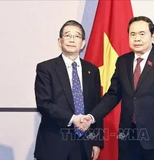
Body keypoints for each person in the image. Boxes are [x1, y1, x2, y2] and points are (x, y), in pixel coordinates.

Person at [82, 16, 154, 160]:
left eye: (142, 34)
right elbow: (113, 95)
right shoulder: (123, 61)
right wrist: (91, 117)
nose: (137, 38)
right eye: (133, 34)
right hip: (127, 137)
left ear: (152, 36)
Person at [34, 20, 103, 160]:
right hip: (54, 144)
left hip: (83, 144)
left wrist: (96, 142)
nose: (72, 39)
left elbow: (97, 106)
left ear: (83, 43)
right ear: (60, 41)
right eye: (67, 35)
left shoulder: (92, 70)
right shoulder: (46, 68)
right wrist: (73, 119)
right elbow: (44, 104)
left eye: (77, 36)